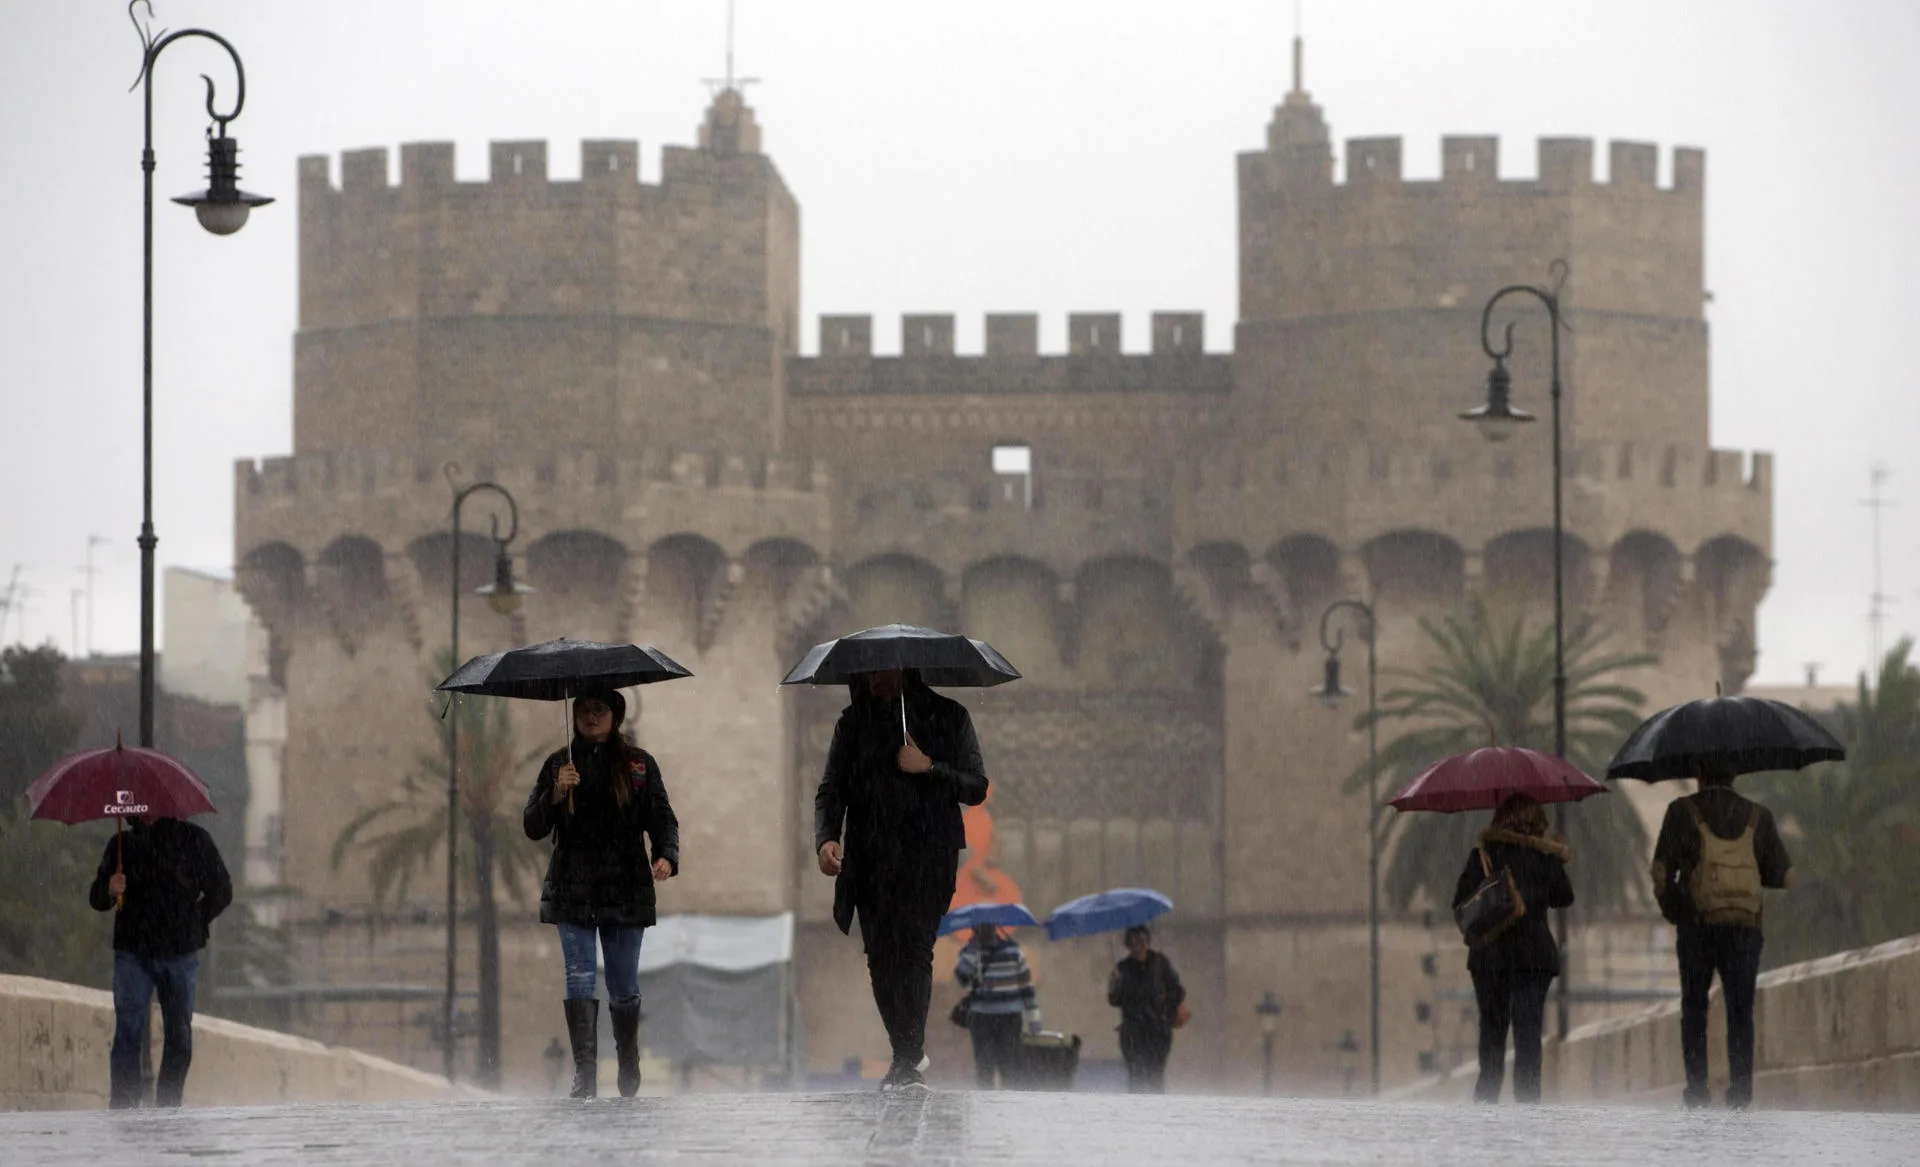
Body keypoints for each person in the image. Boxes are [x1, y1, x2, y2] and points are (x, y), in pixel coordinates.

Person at [815, 668, 988, 1092]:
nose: (876, 680)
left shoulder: (948, 716)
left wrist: (928, 767)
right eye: (869, 673)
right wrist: (826, 838)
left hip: (927, 856)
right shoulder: (852, 724)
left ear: (905, 670)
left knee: (913, 951)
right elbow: (831, 788)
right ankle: (906, 1053)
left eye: (884, 671)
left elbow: (976, 786)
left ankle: (908, 1057)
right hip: (870, 859)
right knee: (880, 959)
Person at [524, 688, 679, 1099]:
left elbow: (662, 817)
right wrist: (556, 793)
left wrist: (666, 855)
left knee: (623, 984)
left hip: (625, 887)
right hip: (573, 887)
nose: (591, 717)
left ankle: (628, 1059)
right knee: (578, 976)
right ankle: (585, 1075)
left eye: (599, 710)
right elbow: (532, 825)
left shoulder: (639, 766)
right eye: (583, 711)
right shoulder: (559, 764)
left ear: (616, 716)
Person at [1650, 767, 1791, 1109]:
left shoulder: (1682, 812)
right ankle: (1741, 1092)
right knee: (1741, 1012)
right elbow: (1780, 876)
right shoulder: (1758, 816)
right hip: (1744, 929)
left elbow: (1660, 872)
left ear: (1698, 774)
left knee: (1695, 1007)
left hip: (1698, 928)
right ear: (1734, 775)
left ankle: (1697, 1090)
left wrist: (1676, 910)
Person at [87, 814, 232, 1108]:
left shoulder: (194, 840)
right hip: (132, 951)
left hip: (179, 953)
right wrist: (110, 890)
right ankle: (124, 1104)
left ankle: (169, 1103)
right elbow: (97, 899)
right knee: (129, 1028)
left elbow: (221, 890)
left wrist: (195, 922)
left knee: (179, 1033)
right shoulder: (121, 845)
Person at [1450, 792, 1574, 1103]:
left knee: (1492, 1033)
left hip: (1489, 957)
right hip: (1532, 959)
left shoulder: (1482, 856)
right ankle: (1527, 1104)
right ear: (1534, 822)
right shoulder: (1542, 857)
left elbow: (1460, 905)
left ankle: (1487, 1099)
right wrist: (1557, 854)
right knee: (1528, 1034)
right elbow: (1564, 896)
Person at [954, 924, 1042, 1088]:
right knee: (984, 1066)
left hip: (1009, 1018)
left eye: (985, 928)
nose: (981, 931)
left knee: (1009, 1066)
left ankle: (1007, 1106)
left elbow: (1026, 987)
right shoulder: (971, 951)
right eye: (978, 928)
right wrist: (972, 952)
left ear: (994, 928)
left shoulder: (1013, 952)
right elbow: (962, 978)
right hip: (981, 1018)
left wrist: (1034, 1018)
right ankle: (985, 1105)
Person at [1107, 924, 1185, 1093]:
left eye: (1141, 940)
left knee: (1155, 1076)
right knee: (1136, 1077)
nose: (1138, 945)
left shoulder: (1160, 963)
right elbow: (1115, 1000)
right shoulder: (1123, 968)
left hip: (1157, 1031)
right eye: (1133, 941)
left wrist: (1165, 1005)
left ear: (1147, 941)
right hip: (1133, 1033)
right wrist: (1115, 984)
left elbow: (1178, 991)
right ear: (1128, 944)